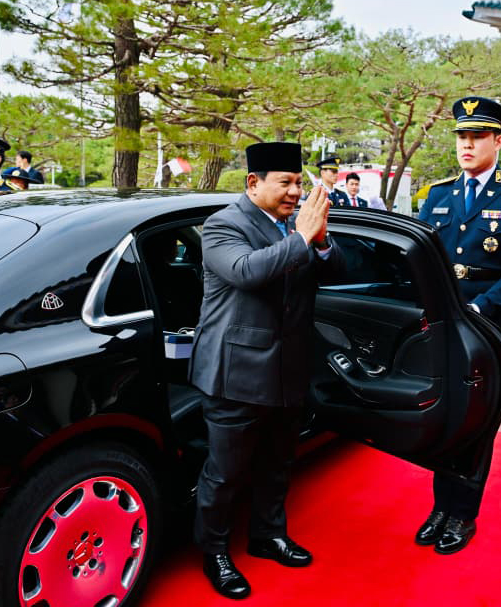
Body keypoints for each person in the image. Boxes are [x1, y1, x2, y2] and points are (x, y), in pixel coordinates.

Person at [188, 142, 345, 600]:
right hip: (235, 372)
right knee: (225, 472)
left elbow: (336, 271)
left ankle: (268, 535)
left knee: (278, 463)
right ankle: (214, 551)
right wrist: (301, 237)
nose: (296, 191)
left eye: (299, 183)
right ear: (253, 183)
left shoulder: (295, 227)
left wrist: (319, 241)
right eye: (286, 182)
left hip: (289, 367)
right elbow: (246, 272)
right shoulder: (223, 225)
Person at [415, 96, 501, 554]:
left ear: (498, 141)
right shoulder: (438, 194)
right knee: (442, 421)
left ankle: (462, 515)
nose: (466, 145)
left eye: (477, 137)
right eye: (462, 137)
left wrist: (482, 307)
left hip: (486, 330)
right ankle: (439, 509)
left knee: (476, 425)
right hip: (442, 329)